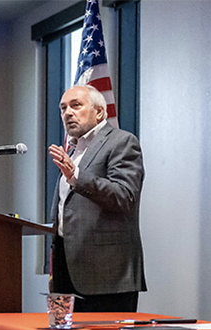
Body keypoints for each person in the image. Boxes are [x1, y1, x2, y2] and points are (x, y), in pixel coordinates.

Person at [48, 84, 146, 313]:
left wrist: (77, 177)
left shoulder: (121, 142)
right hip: (65, 268)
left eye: (76, 105)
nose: (67, 113)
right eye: (63, 108)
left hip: (106, 275)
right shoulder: (73, 151)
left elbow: (125, 196)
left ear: (99, 112)